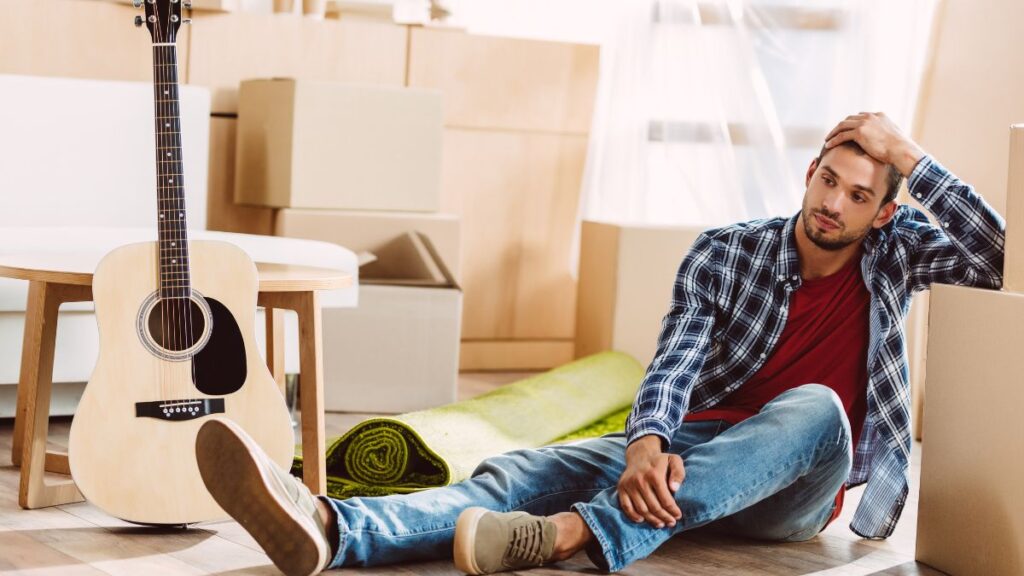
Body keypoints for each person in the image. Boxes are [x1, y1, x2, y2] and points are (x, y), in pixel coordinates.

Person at [193, 112, 1005, 576]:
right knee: (524, 470)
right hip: (689, 449)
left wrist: (910, 157)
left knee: (820, 410)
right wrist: (647, 445)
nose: (834, 203)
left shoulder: (898, 256)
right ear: (809, 172)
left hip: (793, 487)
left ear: (884, 211)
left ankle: (583, 534)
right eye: (828, 178)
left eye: (860, 194)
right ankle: (335, 530)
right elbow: (676, 357)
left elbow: (997, 254)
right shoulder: (728, 250)